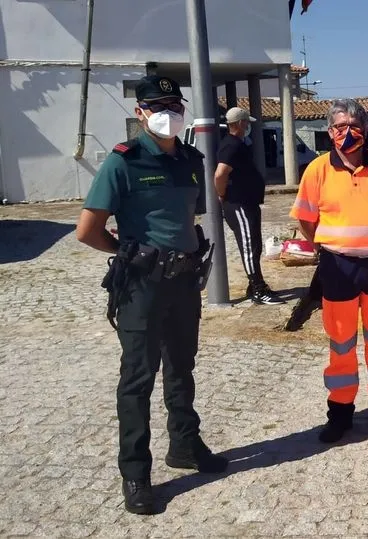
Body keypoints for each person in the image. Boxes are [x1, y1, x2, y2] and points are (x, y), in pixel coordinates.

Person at [75, 75, 228, 515]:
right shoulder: (122, 162)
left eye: (174, 104)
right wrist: (127, 253)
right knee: (138, 379)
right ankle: (136, 472)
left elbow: (185, 218)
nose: (168, 112)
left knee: (182, 366)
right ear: (140, 113)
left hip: (183, 283)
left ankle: (184, 444)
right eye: (157, 105)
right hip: (140, 286)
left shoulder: (189, 159)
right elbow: (86, 231)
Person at [290, 99, 368, 442]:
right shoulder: (317, 170)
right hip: (338, 267)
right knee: (341, 342)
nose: (348, 132)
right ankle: (341, 411)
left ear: (365, 129)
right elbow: (305, 218)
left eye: (354, 125)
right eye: (340, 126)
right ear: (330, 132)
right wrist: (329, 245)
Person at [215, 107, 284, 305]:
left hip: (247, 202)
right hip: (238, 204)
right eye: (246, 122)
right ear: (238, 123)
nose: (248, 126)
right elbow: (220, 174)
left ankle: (255, 283)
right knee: (249, 247)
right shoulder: (231, 146)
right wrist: (221, 194)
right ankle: (257, 289)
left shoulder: (238, 144)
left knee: (255, 245)